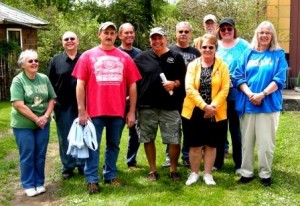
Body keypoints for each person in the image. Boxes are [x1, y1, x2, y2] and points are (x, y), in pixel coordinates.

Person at [72, 21, 141, 194]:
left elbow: (132, 86)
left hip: (117, 111)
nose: (109, 36)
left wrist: (131, 111)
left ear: (116, 36)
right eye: (106, 33)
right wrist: (82, 110)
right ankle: (91, 179)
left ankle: (110, 175)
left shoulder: (125, 58)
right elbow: (80, 85)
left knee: (114, 144)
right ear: (99, 34)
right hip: (94, 111)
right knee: (92, 146)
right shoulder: (87, 56)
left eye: (112, 33)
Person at [234, 21, 287, 187]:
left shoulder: (278, 54)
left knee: (266, 143)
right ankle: (246, 172)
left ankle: (265, 174)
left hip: (268, 105)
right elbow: (237, 76)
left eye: (268, 33)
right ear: (257, 34)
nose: (264, 35)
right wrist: (251, 94)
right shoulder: (247, 53)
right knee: (247, 142)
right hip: (248, 104)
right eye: (261, 32)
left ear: (272, 36)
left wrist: (262, 94)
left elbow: (279, 79)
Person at [134, 27, 186, 181]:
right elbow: (132, 79)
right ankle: (152, 170)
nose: (157, 41)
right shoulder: (141, 58)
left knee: (174, 139)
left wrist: (174, 84)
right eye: (153, 38)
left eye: (160, 38)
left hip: (170, 106)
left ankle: (173, 170)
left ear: (166, 39)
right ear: (150, 40)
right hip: (146, 106)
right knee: (148, 138)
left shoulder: (176, 57)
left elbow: (184, 81)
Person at [182, 34, 229, 186]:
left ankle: (208, 174)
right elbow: (189, 88)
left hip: (216, 111)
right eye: (204, 47)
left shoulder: (222, 65)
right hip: (194, 110)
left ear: (216, 48)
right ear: (199, 48)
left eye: (211, 47)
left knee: (211, 144)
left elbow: (225, 88)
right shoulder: (192, 65)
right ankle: (194, 173)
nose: (207, 50)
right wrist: (204, 106)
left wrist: (213, 106)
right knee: (195, 145)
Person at [10, 49, 56, 197]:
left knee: (40, 154)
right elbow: (18, 104)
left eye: (36, 60)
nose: (34, 63)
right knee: (27, 155)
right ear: (23, 64)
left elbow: (51, 99)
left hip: (43, 123)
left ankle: (39, 182)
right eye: (30, 61)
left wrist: (46, 116)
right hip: (24, 125)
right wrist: (37, 119)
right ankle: (29, 184)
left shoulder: (43, 78)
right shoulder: (18, 80)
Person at [162, 21, 200, 168]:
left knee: (189, 127)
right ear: (176, 33)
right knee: (171, 127)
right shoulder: (169, 50)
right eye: (180, 31)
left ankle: (186, 156)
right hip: (173, 96)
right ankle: (169, 157)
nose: (183, 34)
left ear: (190, 34)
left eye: (186, 31)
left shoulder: (196, 53)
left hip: (191, 97)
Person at [214, 18, 249, 174]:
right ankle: (218, 162)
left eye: (229, 28)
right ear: (219, 31)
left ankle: (239, 164)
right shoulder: (215, 45)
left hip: (237, 95)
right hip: (219, 96)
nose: (226, 31)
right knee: (219, 130)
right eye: (223, 29)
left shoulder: (244, 45)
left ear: (234, 29)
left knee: (236, 131)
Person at [48, 31, 85, 179]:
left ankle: (82, 164)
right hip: (63, 105)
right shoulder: (55, 60)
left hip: (83, 105)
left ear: (77, 41)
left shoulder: (85, 58)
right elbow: (49, 83)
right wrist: (53, 101)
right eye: (66, 39)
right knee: (65, 137)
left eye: (72, 39)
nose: (69, 41)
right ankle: (68, 167)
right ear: (62, 42)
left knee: (83, 136)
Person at [118, 23, 142, 170]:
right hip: (118, 100)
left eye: (131, 32)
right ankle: (111, 163)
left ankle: (131, 161)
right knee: (115, 133)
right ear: (120, 35)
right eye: (126, 33)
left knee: (135, 133)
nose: (129, 35)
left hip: (135, 100)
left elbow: (141, 78)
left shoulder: (139, 54)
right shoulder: (115, 53)